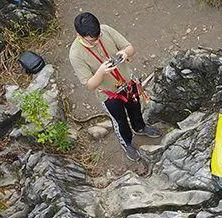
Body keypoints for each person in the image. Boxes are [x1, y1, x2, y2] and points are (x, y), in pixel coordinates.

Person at [68, 12, 161, 161]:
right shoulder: (76, 54)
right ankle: (127, 143)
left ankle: (139, 127)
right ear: (79, 34)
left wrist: (125, 53)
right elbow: (90, 84)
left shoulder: (105, 30)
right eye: (92, 40)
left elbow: (130, 48)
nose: (97, 41)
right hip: (109, 95)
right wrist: (100, 72)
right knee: (120, 121)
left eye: (98, 37)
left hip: (128, 83)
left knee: (136, 108)